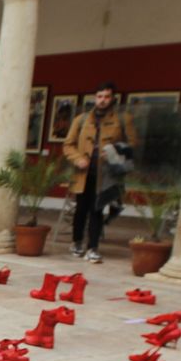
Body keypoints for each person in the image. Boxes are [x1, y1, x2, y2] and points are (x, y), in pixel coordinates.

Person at [64, 81, 138, 264]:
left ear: (112, 98)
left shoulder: (123, 119)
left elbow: (133, 144)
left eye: (106, 97)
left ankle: (93, 247)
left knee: (97, 209)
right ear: (94, 98)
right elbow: (68, 145)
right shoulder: (81, 119)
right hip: (83, 172)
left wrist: (115, 149)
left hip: (106, 172)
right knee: (80, 209)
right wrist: (77, 158)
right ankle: (77, 242)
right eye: (99, 96)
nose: (102, 100)